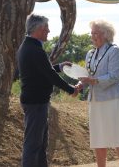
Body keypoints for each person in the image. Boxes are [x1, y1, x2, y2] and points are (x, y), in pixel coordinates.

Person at [16, 13, 78, 167]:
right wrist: (70, 89)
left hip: (36, 102)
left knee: (41, 145)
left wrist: (60, 66)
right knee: (33, 145)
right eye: (46, 28)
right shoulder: (34, 49)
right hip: (36, 103)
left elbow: (43, 70)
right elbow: (49, 74)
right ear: (39, 29)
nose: (49, 31)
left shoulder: (29, 46)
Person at [77, 19, 119, 167]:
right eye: (91, 33)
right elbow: (87, 74)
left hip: (112, 99)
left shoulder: (114, 50)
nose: (93, 36)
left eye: (96, 33)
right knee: (98, 138)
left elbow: (114, 76)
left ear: (106, 34)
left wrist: (94, 80)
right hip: (95, 100)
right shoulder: (90, 53)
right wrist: (80, 84)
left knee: (118, 137)